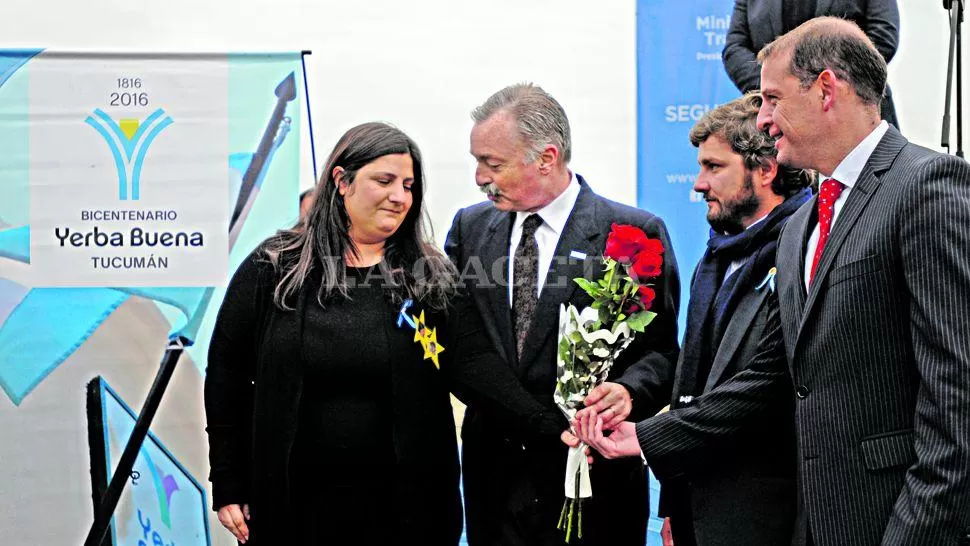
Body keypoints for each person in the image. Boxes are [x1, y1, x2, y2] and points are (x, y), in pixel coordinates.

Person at [575, 18, 970, 546]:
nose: (762, 120)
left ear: (827, 89)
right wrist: (642, 437)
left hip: (896, 524)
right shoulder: (803, 227)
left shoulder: (926, 185)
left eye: (771, 99)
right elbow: (775, 376)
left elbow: (957, 399)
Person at [204, 122, 563, 545]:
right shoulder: (273, 269)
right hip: (293, 506)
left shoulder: (431, 276)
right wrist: (228, 480)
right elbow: (226, 377)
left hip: (408, 513)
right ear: (342, 181)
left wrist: (551, 426)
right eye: (385, 181)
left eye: (409, 185)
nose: (400, 196)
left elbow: (473, 365)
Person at [445, 83, 681, 546]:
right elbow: (459, 346)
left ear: (546, 158)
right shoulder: (469, 228)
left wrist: (627, 393)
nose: (479, 177)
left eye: (492, 164)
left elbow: (661, 354)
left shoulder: (632, 233)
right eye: (477, 161)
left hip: (596, 482)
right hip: (495, 482)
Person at [649, 92, 814, 546]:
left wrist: (642, 437)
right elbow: (692, 380)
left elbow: (767, 384)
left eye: (714, 167)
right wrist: (673, 507)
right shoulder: (717, 251)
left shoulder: (806, 247)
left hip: (771, 516)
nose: (699, 184)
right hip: (698, 510)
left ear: (765, 169)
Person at [723, 0, 901, 128]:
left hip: (853, 118)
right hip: (776, 125)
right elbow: (735, 48)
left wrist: (818, 86)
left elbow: (883, 37)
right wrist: (778, 88)